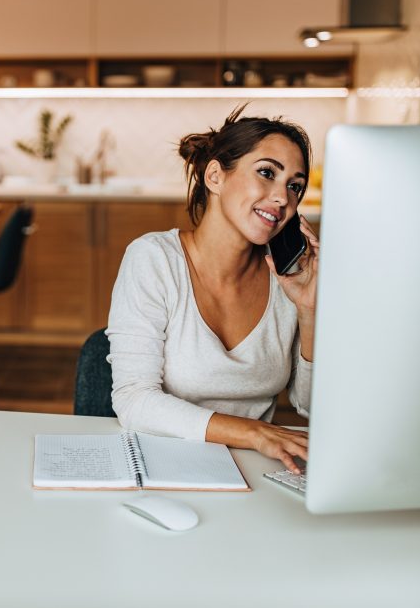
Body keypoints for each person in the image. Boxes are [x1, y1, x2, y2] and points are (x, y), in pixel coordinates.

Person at [106, 105, 319, 474]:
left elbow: (310, 404)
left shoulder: (290, 280)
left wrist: (310, 310)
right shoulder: (154, 260)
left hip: (255, 469)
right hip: (161, 461)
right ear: (216, 176)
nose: (283, 198)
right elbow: (133, 400)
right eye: (266, 173)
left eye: (294, 186)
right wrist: (253, 433)